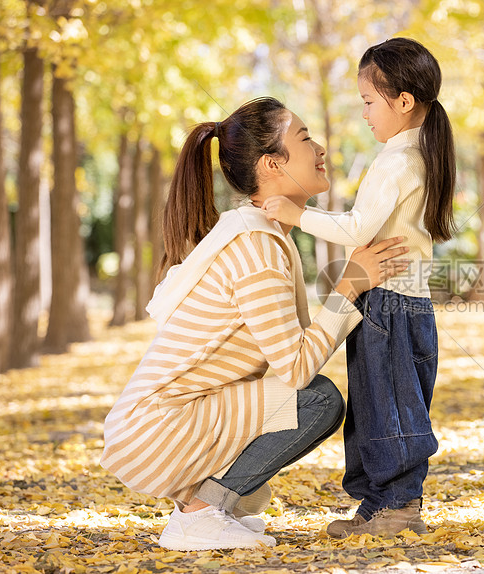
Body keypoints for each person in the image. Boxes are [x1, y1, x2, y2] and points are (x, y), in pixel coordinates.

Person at [100, 97, 410, 552]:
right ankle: (201, 513)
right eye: (304, 139)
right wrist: (349, 287)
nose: (320, 148)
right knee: (318, 399)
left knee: (313, 398)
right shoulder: (257, 248)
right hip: (155, 429)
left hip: (160, 423)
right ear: (271, 164)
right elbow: (297, 370)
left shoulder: (261, 236)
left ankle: (208, 506)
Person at [261, 38, 456, 538]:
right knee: (375, 402)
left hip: (389, 301)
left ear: (403, 101)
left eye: (370, 102)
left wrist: (296, 214)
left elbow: (356, 230)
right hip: (395, 299)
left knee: (389, 403)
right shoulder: (415, 155)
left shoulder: (398, 161)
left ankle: (398, 506)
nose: (365, 113)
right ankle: (377, 505)